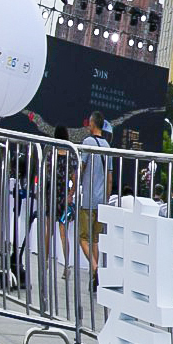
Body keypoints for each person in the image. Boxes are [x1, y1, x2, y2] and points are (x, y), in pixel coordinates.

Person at [74, 112, 108, 271]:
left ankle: (95, 269)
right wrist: (106, 199)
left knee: (83, 238)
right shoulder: (107, 146)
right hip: (101, 201)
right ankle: (95, 276)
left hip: (88, 198)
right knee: (95, 240)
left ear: (93, 123)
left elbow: (80, 168)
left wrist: (72, 190)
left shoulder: (88, 142)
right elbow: (109, 177)